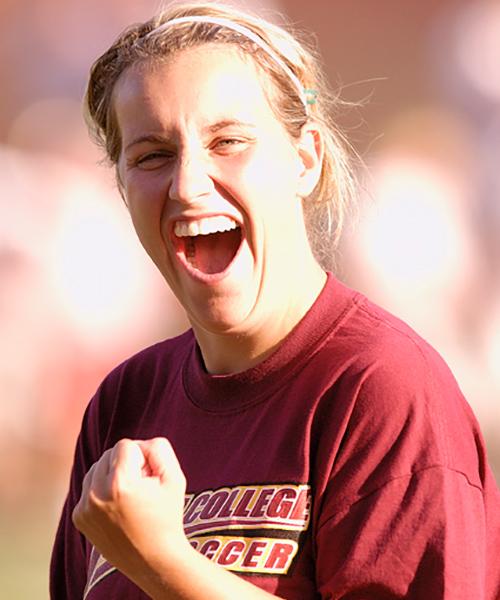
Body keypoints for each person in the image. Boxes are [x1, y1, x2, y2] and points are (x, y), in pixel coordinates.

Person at [50, 2, 500, 599]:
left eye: (229, 141)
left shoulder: (383, 389)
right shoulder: (123, 403)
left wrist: (164, 562)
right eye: (152, 156)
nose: (186, 184)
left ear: (305, 159)